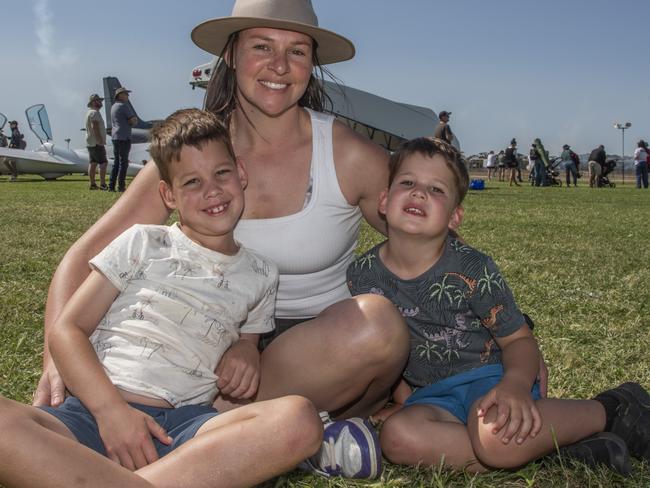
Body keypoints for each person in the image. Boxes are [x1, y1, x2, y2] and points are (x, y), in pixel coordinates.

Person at [34, 0, 412, 479]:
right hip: (198, 351)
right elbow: (85, 255)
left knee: (376, 325)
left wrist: (508, 337)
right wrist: (55, 363)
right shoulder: (195, 152)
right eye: (261, 47)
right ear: (231, 54)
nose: (279, 66)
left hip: (309, 353)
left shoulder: (348, 152)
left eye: (296, 51)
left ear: (312, 63)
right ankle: (215, 443)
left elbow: (431, 249)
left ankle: (248, 433)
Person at [0, 108, 324, 488]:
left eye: (222, 173)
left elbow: (249, 340)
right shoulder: (143, 241)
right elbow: (68, 330)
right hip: (92, 414)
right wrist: (112, 414)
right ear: (168, 194)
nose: (212, 190)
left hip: (187, 431)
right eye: (192, 182)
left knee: (299, 420)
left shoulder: (262, 274)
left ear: (241, 173)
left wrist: (246, 352)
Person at [347, 137, 650, 475]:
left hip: (493, 379)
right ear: (385, 200)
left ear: (454, 217)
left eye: (436, 189)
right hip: (433, 396)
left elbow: (518, 340)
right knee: (397, 438)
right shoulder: (362, 274)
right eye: (407, 182)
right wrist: (402, 401)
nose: (419, 193)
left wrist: (516, 385)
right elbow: (391, 347)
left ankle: (611, 408)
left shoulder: (472, 268)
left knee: (494, 437)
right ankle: (556, 448)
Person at [109, 87, 138, 192]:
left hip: (115, 136)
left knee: (116, 162)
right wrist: (134, 121)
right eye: (126, 94)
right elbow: (132, 120)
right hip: (124, 137)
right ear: (120, 95)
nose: (128, 96)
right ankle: (121, 186)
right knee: (123, 162)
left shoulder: (113, 107)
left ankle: (111, 185)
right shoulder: (124, 106)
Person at [85, 93, 109, 190]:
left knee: (93, 162)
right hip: (96, 142)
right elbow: (94, 126)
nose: (100, 103)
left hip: (90, 142)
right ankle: (103, 184)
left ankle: (93, 184)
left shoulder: (89, 112)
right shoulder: (94, 113)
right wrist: (100, 139)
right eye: (99, 101)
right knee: (103, 163)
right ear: (94, 102)